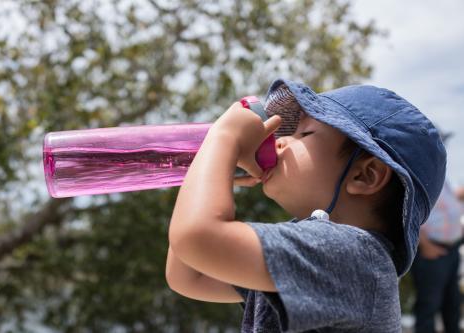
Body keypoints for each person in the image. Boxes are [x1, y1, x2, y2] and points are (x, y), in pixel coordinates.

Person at [165, 78, 447, 332]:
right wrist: (214, 168)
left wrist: (223, 139)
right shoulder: (320, 252)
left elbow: (196, 239)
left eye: (304, 134)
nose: (279, 142)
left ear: (365, 175)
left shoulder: (353, 258)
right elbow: (190, 274)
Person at [411, 130, 464, 333]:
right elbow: (410, 215)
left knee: (452, 306)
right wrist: (424, 245)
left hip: (450, 251)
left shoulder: (441, 176)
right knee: (428, 307)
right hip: (431, 251)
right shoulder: (417, 175)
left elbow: (452, 201)